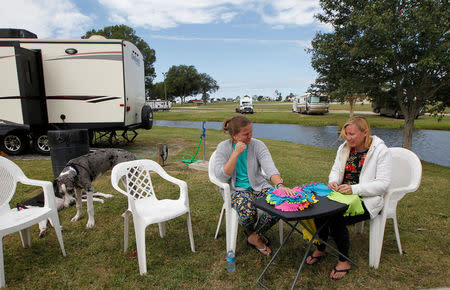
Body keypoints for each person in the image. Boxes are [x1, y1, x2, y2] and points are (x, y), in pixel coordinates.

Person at [306, 116, 392, 280]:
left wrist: (354, 189)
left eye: (352, 134)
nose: (348, 138)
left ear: (365, 132)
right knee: (318, 207)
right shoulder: (344, 148)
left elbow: (383, 184)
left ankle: (344, 261)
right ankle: (321, 247)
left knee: (335, 216)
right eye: (346, 134)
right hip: (342, 194)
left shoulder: (381, 151)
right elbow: (335, 170)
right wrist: (333, 182)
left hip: (368, 199)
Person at [214, 116, 295, 256]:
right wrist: (236, 153)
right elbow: (221, 176)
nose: (250, 136)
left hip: (258, 186)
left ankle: (254, 236)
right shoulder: (223, 147)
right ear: (234, 135)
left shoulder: (258, 145)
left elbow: (270, 168)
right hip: (236, 189)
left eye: (251, 132)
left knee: (280, 204)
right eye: (246, 134)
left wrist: (279, 184)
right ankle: (253, 233)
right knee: (248, 214)